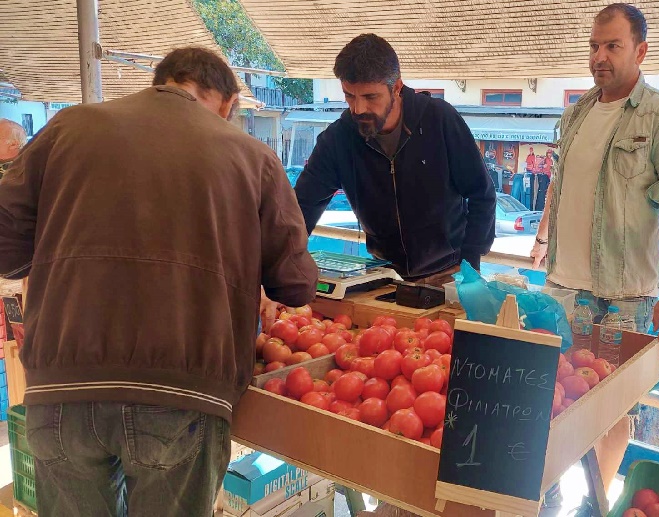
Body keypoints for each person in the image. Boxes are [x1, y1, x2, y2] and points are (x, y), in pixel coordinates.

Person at [0, 47, 318, 516]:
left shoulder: (67, 128)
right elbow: (296, 286)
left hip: (62, 388)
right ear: (226, 102)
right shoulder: (254, 157)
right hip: (182, 395)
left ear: (161, 82)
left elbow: (7, 250)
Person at [530, 3, 659, 495]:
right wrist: (543, 238)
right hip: (562, 288)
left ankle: (599, 499)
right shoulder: (578, 111)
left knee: (613, 411)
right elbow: (562, 188)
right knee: (553, 401)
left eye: (613, 45)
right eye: (594, 45)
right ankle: (551, 495)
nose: (599, 56)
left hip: (623, 297)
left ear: (640, 50)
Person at [294, 34, 496, 286]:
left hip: (449, 273)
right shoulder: (337, 139)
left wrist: (469, 265)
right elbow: (300, 210)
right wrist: (282, 270)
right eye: (349, 96)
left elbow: (482, 193)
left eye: (370, 97)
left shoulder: (439, 120)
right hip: (383, 277)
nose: (358, 109)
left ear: (396, 87)